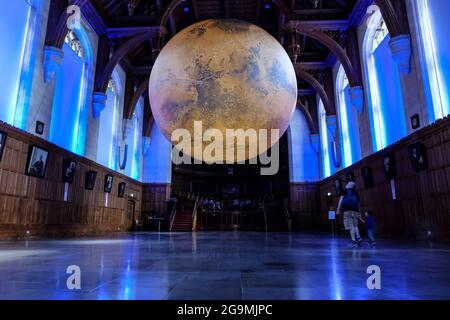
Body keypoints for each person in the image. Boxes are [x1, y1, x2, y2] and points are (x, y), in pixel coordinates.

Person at [337, 181, 362, 248]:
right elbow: (359, 203)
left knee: (351, 226)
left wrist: (338, 209)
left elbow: (341, 200)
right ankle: (358, 238)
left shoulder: (345, 191)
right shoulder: (355, 192)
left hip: (347, 211)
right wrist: (359, 212)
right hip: (355, 211)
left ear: (348, 185)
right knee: (355, 226)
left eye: (348, 183)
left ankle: (353, 241)